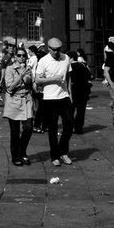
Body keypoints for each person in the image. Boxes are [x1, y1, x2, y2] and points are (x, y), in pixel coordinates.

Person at [35, 37, 74, 166]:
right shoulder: (43, 61)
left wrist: (70, 94)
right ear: (48, 49)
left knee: (69, 124)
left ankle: (63, 151)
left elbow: (68, 78)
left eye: (58, 50)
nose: (56, 53)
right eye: (54, 50)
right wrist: (53, 79)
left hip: (64, 97)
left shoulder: (66, 58)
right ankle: (55, 156)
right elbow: (38, 80)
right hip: (50, 98)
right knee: (52, 129)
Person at [3, 47, 34, 165]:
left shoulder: (28, 68)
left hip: (26, 100)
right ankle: (15, 156)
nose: (21, 58)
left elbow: (30, 82)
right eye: (19, 55)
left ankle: (22, 151)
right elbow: (10, 87)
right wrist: (20, 76)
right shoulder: (10, 69)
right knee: (15, 132)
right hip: (13, 101)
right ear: (15, 57)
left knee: (28, 128)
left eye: (23, 55)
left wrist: (30, 78)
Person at [70, 47, 93, 134]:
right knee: (81, 111)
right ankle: (78, 128)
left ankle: (70, 126)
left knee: (70, 110)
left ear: (71, 58)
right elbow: (89, 76)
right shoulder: (83, 65)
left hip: (73, 91)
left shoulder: (69, 67)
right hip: (83, 91)